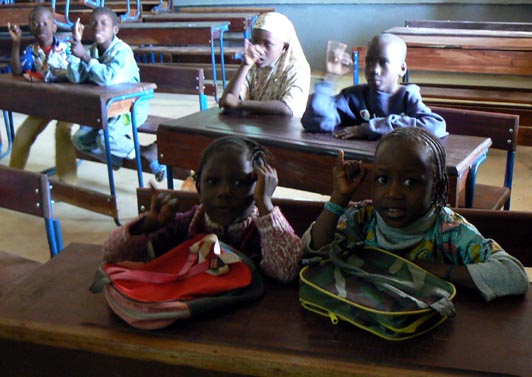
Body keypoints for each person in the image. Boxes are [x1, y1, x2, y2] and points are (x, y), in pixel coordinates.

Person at [303, 127, 529, 301]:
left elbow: (514, 275)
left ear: (437, 188)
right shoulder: (364, 217)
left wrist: (427, 271)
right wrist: (338, 199)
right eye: (383, 179)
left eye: (410, 182)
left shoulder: (449, 231)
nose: (393, 193)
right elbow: (314, 252)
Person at [103, 136, 304, 283]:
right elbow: (113, 256)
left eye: (238, 182)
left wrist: (266, 205)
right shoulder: (185, 226)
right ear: (199, 187)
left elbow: (287, 270)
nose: (224, 191)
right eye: (212, 181)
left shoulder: (265, 233)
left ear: (258, 185)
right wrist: (146, 226)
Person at [67, 7, 165, 181]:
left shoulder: (122, 52)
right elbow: (76, 78)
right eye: (94, 24)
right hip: (107, 108)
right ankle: (129, 157)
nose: (98, 27)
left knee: (106, 139)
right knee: (80, 140)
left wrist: (86, 58)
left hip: (132, 108)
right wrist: (77, 50)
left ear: (115, 30)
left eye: (104, 24)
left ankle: (146, 153)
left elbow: (109, 79)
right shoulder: (91, 50)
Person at [301, 33, 447, 140]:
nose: (374, 69)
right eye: (369, 62)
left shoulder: (407, 96)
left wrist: (368, 128)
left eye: (383, 63)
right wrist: (330, 77)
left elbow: (435, 126)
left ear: (402, 69)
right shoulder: (354, 96)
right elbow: (316, 122)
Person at [8, 6, 78, 185]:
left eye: (45, 23)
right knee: (23, 133)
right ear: (30, 27)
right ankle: (12, 180)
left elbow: (78, 74)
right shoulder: (31, 51)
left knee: (63, 131)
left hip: (72, 104)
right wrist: (16, 43)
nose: (41, 27)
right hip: (46, 104)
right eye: (36, 23)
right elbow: (17, 71)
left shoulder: (68, 48)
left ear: (54, 27)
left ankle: (68, 183)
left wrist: (44, 79)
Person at [218, 11, 311, 118]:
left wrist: (240, 104)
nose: (259, 49)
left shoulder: (297, 68)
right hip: (256, 129)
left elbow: (287, 109)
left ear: (284, 47)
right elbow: (228, 100)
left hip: (283, 131)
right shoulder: (253, 64)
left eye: (268, 44)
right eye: (255, 42)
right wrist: (245, 65)